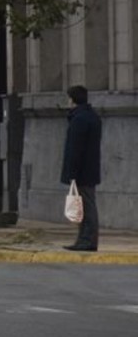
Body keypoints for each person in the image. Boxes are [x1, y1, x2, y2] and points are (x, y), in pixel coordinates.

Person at [60, 85, 102, 251]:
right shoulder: (92, 117)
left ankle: (87, 240)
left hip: (82, 172)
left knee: (85, 207)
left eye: (69, 98)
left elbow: (75, 149)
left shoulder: (79, 119)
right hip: (89, 170)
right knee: (85, 206)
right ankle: (85, 240)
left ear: (73, 99)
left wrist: (72, 174)